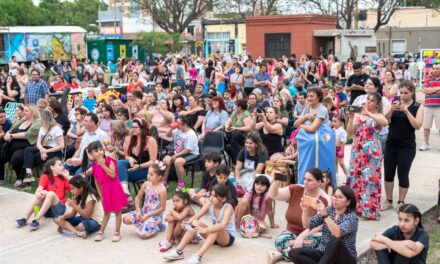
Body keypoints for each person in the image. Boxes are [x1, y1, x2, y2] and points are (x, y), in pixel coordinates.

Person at [268, 168, 330, 263]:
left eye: (309, 180)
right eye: (305, 179)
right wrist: (276, 181)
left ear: (319, 182)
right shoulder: (296, 189)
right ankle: (295, 254)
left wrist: (301, 237)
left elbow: (319, 227)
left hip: (312, 235)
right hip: (291, 232)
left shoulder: (324, 200)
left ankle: (281, 254)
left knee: (310, 243)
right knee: (279, 240)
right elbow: (273, 195)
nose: (306, 182)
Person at [164, 184, 236, 264]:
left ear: (223, 199)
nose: (211, 198)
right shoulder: (210, 203)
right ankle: (179, 251)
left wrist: (205, 229)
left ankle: (198, 256)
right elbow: (198, 215)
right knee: (195, 223)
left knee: (217, 228)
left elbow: (223, 225)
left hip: (227, 238)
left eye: (215, 196)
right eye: (211, 195)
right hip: (213, 237)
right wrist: (188, 222)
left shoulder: (227, 207)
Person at [346, 92, 388, 220]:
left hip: (371, 152)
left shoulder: (378, 115)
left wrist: (368, 113)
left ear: (377, 104)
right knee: (355, 178)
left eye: (371, 100)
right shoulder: (358, 115)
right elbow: (350, 132)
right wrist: (350, 118)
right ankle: (355, 208)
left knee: (369, 180)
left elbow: (385, 122)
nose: (368, 102)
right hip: (357, 150)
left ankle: (369, 211)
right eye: (367, 99)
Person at [290, 186, 358, 264]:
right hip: (324, 253)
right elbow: (308, 225)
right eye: (335, 196)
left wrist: (324, 214)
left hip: (344, 258)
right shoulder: (329, 210)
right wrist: (305, 211)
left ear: (348, 202)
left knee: (335, 241)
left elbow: (337, 233)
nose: (335, 199)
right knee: (294, 253)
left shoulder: (352, 217)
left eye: (340, 197)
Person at [383, 81, 424, 211]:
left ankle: (401, 202)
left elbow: (417, 125)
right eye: (401, 93)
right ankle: (389, 200)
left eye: (406, 93)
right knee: (388, 173)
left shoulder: (418, 106)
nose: (403, 95)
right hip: (391, 144)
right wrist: (390, 110)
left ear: (412, 92)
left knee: (403, 174)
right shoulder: (395, 103)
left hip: (407, 146)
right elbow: (385, 121)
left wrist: (406, 111)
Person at [82, 141, 128, 242]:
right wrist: (101, 195)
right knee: (106, 211)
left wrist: (103, 165)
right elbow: (96, 181)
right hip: (105, 191)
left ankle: (117, 232)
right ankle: (101, 232)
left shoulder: (109, 160)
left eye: (100, 150)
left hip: (114, 188)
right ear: (91, 154)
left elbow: (112, 175)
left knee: (117, 211)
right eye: (96, 151)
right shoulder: (94, 165)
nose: (99, 152)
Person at [15, 158, 71, 230]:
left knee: (50, 193)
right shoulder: (45, 177)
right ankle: (25, 218)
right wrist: (38, 193)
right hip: (46, 210)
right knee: (41, 194)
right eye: (60, 165)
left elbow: (73, 190)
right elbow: (40, 188)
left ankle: (36, 220)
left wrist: (68, 177)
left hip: (59, 210)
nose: (63, 167)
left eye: (62, 165)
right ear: (52, 167)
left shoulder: (64, 179)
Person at [123, 161, 167, 239]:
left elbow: (162, 208)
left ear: (159, 177)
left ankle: (156, 226)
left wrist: (148, 216)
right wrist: (138, 211)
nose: (148, 176)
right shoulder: (146, 184)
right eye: (148, 173)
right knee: (125, 219)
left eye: (151, 174)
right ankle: (143, 223)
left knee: (143, 235)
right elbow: (137, 198)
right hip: (144, 211)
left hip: (154, 215)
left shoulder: (162, 190)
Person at [1, 105, 41, 188]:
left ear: (33, 113)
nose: (23, 112)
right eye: (24, 111)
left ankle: (20, 178)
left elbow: (27, 134)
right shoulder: (23, 120)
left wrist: (11, 136)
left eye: (26, 111)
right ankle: (2, 178)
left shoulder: (37, 122)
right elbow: (12, 128)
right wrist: (8, 134)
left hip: (26, 147)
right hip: (11, 147)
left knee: (16, 158)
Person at [21, 110, 64, 183]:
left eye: (40, 117)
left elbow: (61, 146)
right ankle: (29, 174)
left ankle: (25, 181)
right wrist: (42, 151)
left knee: (29, 160)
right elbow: (38, 143)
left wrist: (46, 151)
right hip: (43, 148)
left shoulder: (56, 129)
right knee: (28, 150)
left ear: (44, 118)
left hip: (54, 151)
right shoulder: (42, 128)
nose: (39, 119)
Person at [118, 118, 158, 197]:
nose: (132, 129)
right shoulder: (132, 139)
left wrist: (139, 166)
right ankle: (125, 189)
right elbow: (126, 155)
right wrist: (130, 158)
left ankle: (124, 200)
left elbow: (152, 161)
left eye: (135, 127)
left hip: (145, 169)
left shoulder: (150, 140)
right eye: (132, 127)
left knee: (117, 174)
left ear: (142, 128)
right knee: (120, 163)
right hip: (133, 166)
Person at [163, 116, 200, 189]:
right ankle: (164, 182)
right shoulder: (177, 130)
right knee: (166, 160)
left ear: (185, 124)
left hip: (191, 153)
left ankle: (181, 183)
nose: (177, 124)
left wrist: (176, 156)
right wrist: (171, 128)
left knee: (178, 162)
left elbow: (188, 150)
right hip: (178, 152)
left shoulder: (191, 134)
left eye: (178, 123)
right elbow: (167, 135)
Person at [224, 99, 253, 163]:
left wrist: (236, 128)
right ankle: (225, 160)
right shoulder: (235, 113)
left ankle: (237, 161)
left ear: (239, 107)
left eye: (235, 106)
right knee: (222, 135)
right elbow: (228, 122)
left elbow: (248, 128)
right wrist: (227, 127)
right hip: (232, 131)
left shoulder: (246, 113)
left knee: (235, 137)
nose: (234, 107)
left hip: (243, 133)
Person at [419, 63, 440, 151]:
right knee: (426, 127)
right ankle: (426, 143)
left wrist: (430, 90)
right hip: (428, 106)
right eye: (434, 68)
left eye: (437, 68)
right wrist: (437, 88)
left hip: (439, 106)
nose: (435, 70)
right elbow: (424, 90)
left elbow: (428, 90)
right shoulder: (428, 78)